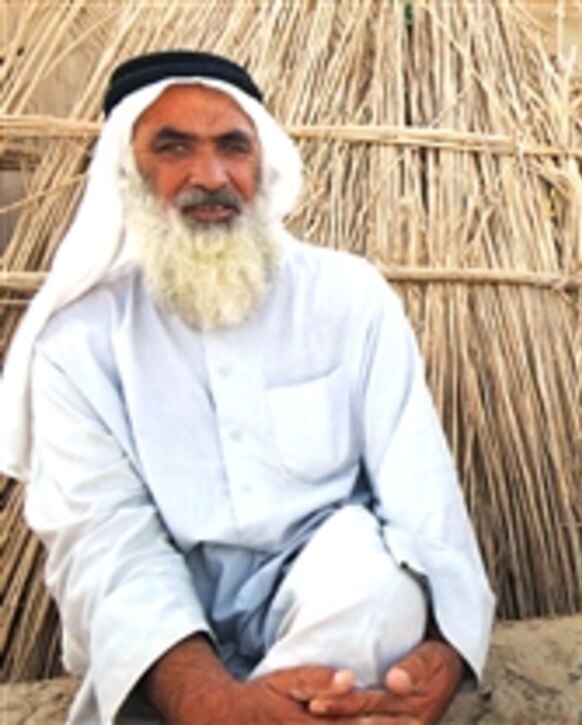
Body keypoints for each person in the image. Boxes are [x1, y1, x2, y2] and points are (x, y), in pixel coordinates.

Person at [0, 50, 494, 723]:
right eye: (173, 147)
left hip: (327, 601)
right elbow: (106, 539)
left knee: (377, 584)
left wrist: (448, 646)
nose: (210, 175)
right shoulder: (79, 344)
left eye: (232, 146)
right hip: (164, 634)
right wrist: (208, 697)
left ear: (263, 164)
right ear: (127, 171)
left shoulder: (347, 297)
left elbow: (419, 485)